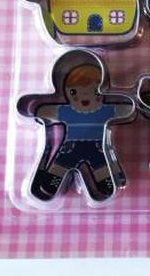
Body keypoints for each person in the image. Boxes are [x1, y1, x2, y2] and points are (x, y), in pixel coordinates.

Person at [18, 63, 133, 202]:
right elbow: (43, 110)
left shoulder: (106, 111)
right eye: (74, 92)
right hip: (70, 149)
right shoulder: (65, 111)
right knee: (53, 179)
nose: (84, 96)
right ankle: (49, 188)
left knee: (107, 180)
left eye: (95, 92)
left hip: (96, 149)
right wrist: (35, 111)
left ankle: (110, 187)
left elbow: (128, 108)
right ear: (66, 93)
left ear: (103, 92)